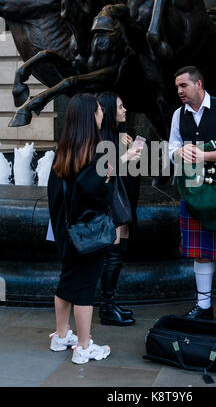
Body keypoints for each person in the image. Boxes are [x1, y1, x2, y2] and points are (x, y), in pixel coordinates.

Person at [169, 66, 216, 324]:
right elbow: (172, 147)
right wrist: (178, 154)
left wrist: (204, 155)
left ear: (199, 84)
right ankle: (203, 306)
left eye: (184, 85)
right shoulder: (178, 115)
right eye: (178, 86)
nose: (179, 90)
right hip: (193, 186)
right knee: (200, 251)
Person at [47, 93, 112, 364]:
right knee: (85, 288)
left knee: (66, 282)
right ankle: (84, 348)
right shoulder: (95, 155)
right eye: (98, 110)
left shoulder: (64, 151)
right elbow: (95, 197)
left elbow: (56, 195)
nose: (102, 114)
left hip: (66, 232)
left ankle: (62, 336)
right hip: (87, 236)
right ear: (89, 116)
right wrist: (109, 177)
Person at [97, 91, 141, 326]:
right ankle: (106, 308)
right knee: (112, 254)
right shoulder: (101, 137)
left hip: (121, 200)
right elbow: (102, 171)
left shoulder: (118, 134)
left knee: (119, 251)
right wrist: (125, 155)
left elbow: (129, 172)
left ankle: (110, 303)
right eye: (121, 107)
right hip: (110, 203)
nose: (125, 110)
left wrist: (131, 149)